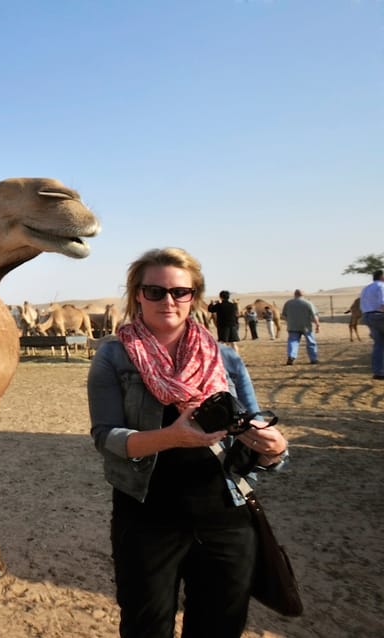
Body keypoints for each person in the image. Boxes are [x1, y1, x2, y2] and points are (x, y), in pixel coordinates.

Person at [87, 247, 289, 638]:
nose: (169, 300)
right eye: (155, 291)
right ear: (137, 296)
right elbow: (105, 437)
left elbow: (255, 434)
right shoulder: (114, 356)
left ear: (194, 296)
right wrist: (172, 437)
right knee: (147, 626)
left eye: (180, 292)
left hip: (227, 516)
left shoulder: (225, 358)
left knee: (219, 627)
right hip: (147, 517)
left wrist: (274, 449)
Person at [280, 289, 320, 365]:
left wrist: (290, 320)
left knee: (293, 341)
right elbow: (314, 316)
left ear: (294, 294)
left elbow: (283, 316)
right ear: (303, 295)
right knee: (311, 342)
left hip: (292, 326)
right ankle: (313, 359)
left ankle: (291, 356)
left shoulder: (288, 303)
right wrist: (317, 325)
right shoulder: (308, 303)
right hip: (306, 327)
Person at [359, 269, 384, 380]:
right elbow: (383, 304)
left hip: (368, 316)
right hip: (379, 316)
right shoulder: (381, 287)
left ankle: (378, 372)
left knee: (378, 344)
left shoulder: (366, 288)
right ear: (382, 276)